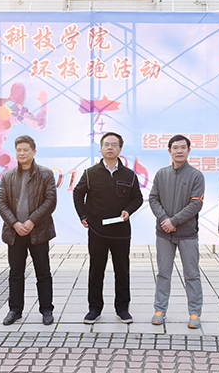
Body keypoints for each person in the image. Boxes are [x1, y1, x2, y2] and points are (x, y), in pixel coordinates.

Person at [73, 132, 143, 324]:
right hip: (97, 231)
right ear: (101, 148)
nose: (110, 147)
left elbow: (137, 198)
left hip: (121, 232)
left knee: (122, 271)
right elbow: (78, 194)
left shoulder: (129, 175)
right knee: (96, 271)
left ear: (120, 149)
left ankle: (122, 309)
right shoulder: (90, 173)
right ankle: (94, 308)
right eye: (106, 144)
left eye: (114, 144)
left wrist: (128, 210)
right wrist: (83, 216)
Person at [0, 135, 57, 326]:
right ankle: (15, 310)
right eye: (19, 150)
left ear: (33, 152)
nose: (22, 153)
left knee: (43, 273)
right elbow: (1, 203)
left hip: (38, 232)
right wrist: (15, 223)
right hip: (15, 233)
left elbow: (50, 201)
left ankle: (46, 309)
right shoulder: (7, 176)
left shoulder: (46, 174)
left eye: (25, 150)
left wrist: (32, 221)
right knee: (15, 273)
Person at [149, 135, 205, 328]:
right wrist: (164, 219)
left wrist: (174, 221)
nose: (179, 150)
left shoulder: (196, 176)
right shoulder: (161, 174)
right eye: (175, 147)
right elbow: (153, 199)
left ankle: (195, 313)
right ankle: (160, 310)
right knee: (163, 273)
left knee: (192, 274)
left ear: (189, 150)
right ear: (169, 151)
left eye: (183, 147)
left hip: (187, 234)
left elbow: (196, 204)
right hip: (164, 233)